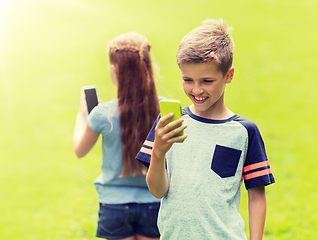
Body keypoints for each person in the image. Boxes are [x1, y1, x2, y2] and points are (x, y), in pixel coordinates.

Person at [136, 19, 275, 240]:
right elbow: (157, 191)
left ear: (228, 76)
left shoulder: (244, 132)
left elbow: (257, 195)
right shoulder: (169, 122)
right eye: (188, 80)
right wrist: (159, 152)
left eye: (207, 81)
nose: (197, 89)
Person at [73, 32, 162, 240]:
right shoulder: (164, 110)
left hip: (114, 206)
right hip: (154, 203)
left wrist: (82, 115)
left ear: (114, 70)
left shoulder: (102, 114)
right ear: (147, 67)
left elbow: (80, 149)